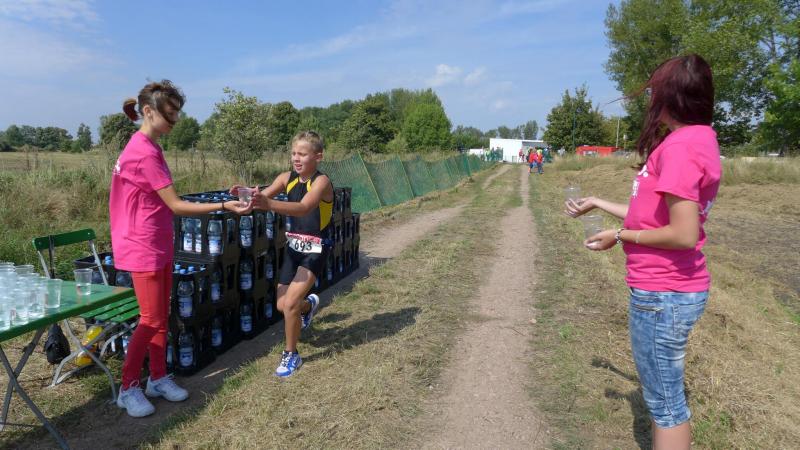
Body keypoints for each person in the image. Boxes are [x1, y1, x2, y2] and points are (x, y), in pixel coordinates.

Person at [565, 54, 720, 449]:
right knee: (664, 397)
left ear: (669, 96)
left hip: (663, 294)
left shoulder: (681, 148)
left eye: (654, 91)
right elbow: (652, 217)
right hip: (669, 291)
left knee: (666, 406)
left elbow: (683, 234)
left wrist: (620, 236)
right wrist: (598, 202)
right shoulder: (696, 139)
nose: (650, 99)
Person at [110, 80, 251, 417]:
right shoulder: (143, 151)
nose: (175, 121)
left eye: (177, 114)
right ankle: (128, 387)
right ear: (148, 111)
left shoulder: (151, 146)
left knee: (161, 317)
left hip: (157, 241)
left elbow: (164, 201)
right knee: (149, 319)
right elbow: (175, 205)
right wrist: (224, 206)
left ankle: (157, 377)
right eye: (170, 114)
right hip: (141, 245)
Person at [246, 131, 333, 377]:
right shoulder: (286, 178)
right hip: (293, 248)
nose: (296, 158)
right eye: (294, 153)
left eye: (302, 154)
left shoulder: (322, 182)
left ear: (318, 157)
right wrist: (246, 195)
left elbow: (304, 207)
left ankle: (291, 354)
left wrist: (268, 204)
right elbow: (262, 196)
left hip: (316, 248)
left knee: (290, 303)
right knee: (282, 305)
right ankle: (308, 306)